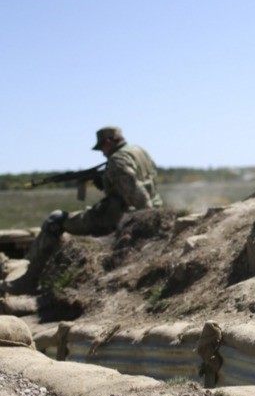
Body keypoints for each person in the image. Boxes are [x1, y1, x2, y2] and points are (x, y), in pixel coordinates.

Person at [1, 126, 162, 295]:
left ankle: (29, 279)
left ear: (109, 141)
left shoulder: (118, 160)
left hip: (119, 217)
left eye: (102, 147)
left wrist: (147, 219)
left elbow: (136, 192)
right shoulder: (138, 151)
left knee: (56, 219)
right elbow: (141, 182)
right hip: (145, 209)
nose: (102, 153)